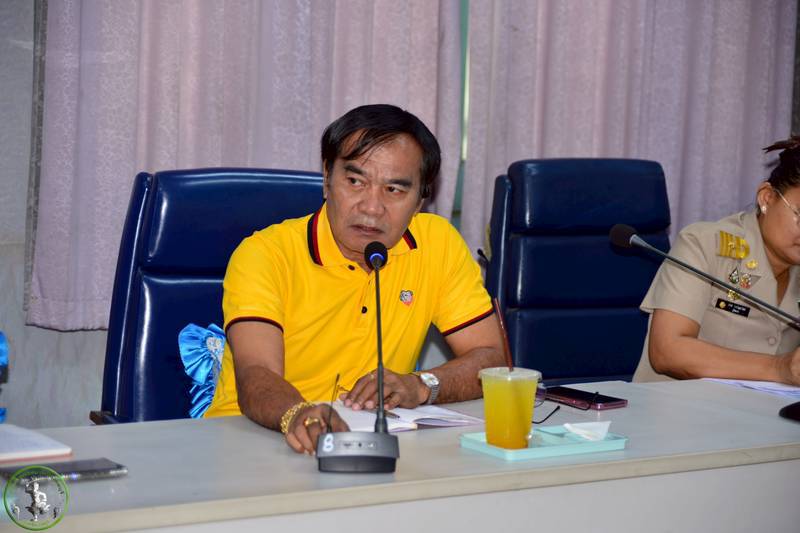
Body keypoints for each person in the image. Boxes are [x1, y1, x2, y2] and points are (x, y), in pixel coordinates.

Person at [205, 104, 505, 454]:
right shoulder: (266, 254)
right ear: (326, 178)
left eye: (394, 190)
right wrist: (298, 414)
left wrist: (422, 385)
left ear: (420, 200)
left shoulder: (437, 244)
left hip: (372, 444)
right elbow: (257, 372)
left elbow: (493, 358)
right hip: (253, 440)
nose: (371, 207)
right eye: (355, 181)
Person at [634, 136, 800, 386]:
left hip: (766, 410)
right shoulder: (704, 244)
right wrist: (779, 368)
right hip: (678, 405)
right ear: (767, 198)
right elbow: (668, 352)